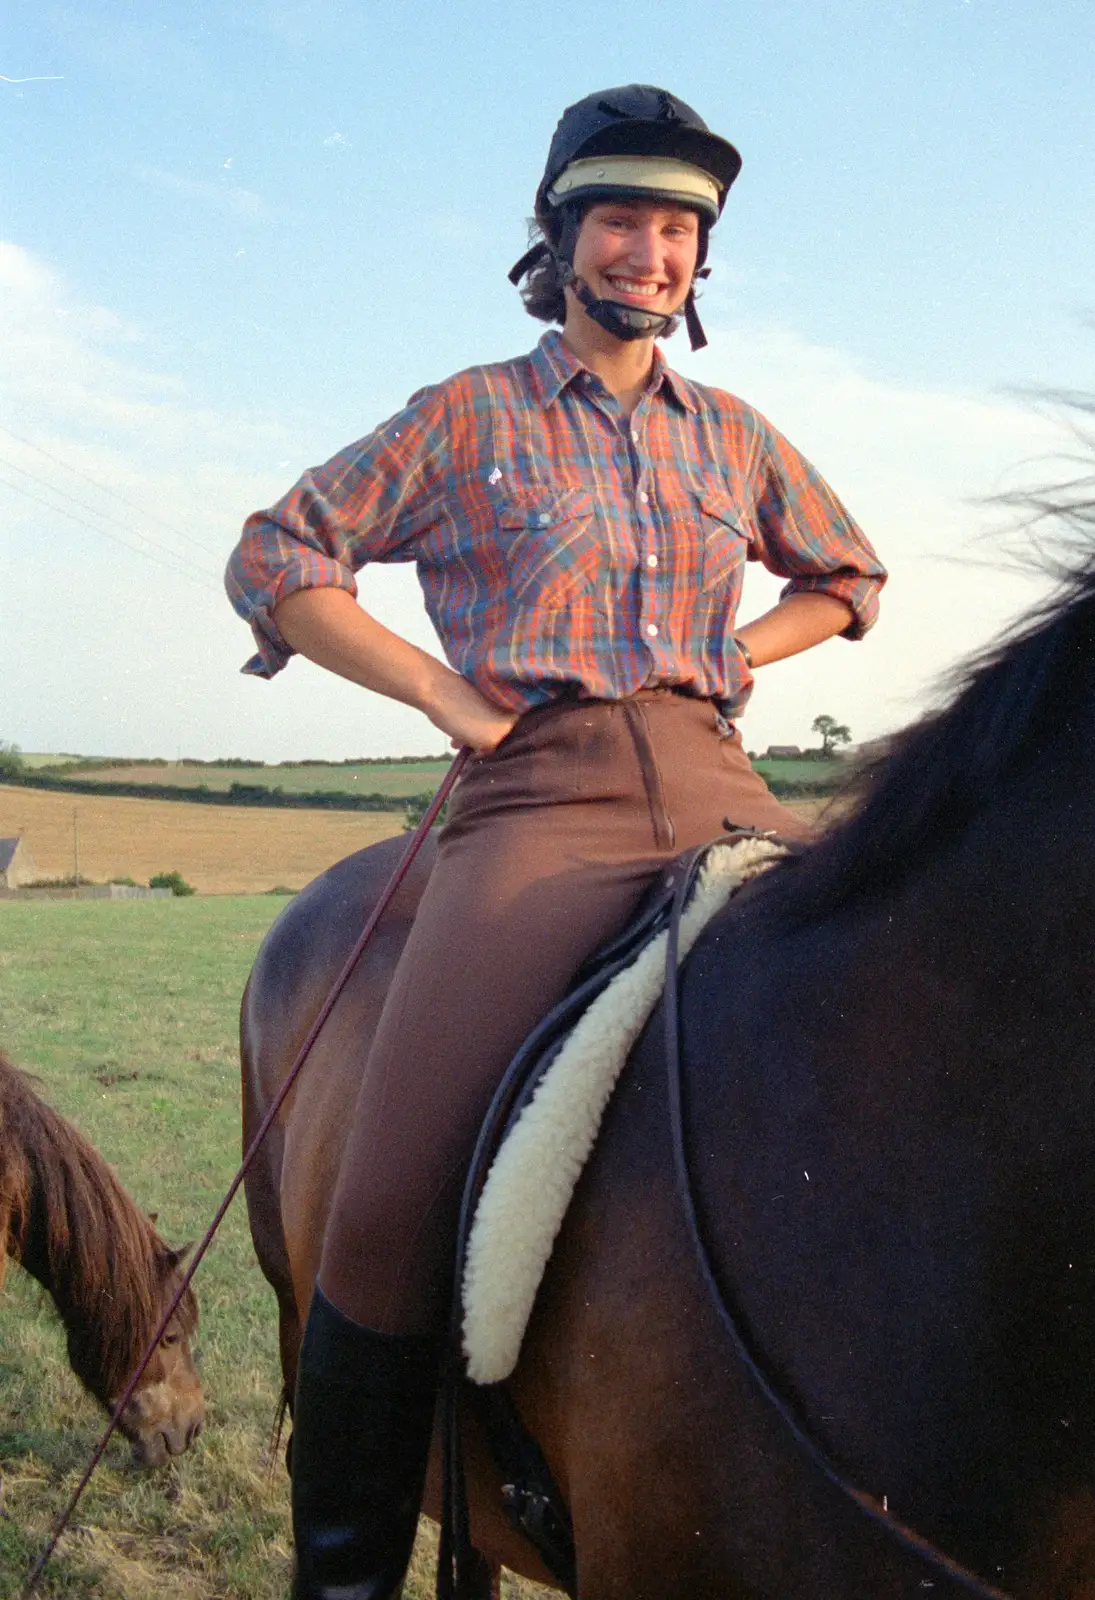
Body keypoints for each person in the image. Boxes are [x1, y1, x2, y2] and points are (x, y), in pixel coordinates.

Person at [225, 84, 886, 1600]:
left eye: (676, 228)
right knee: (384, 1197)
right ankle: (340, 1576)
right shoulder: (467, 413)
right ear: (560, 235)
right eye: (621, 218)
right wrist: (452, 700)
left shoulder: (733, 432)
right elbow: (276, 556)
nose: (649, 249)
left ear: (696, 259)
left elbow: (849, 573)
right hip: (537, 802)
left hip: (724, 782)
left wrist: (738, 657)